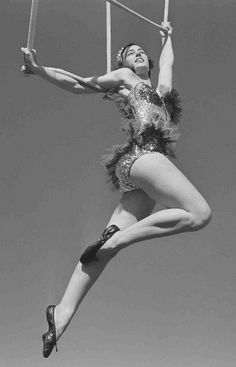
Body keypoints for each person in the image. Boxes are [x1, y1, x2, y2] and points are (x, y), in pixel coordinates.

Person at [21, 22, 211, 358]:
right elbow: (80, 85)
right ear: (123, 64)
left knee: (102, 253)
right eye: (129, 52)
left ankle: (61, 314)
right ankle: (117, 239)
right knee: (199, 214)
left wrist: (168, 37)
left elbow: (167, 63)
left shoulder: (161, 91)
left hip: (142, 176)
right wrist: (40, 70)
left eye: (142, 51)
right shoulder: (127, 80)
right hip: (144, 157)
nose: (138, 53)